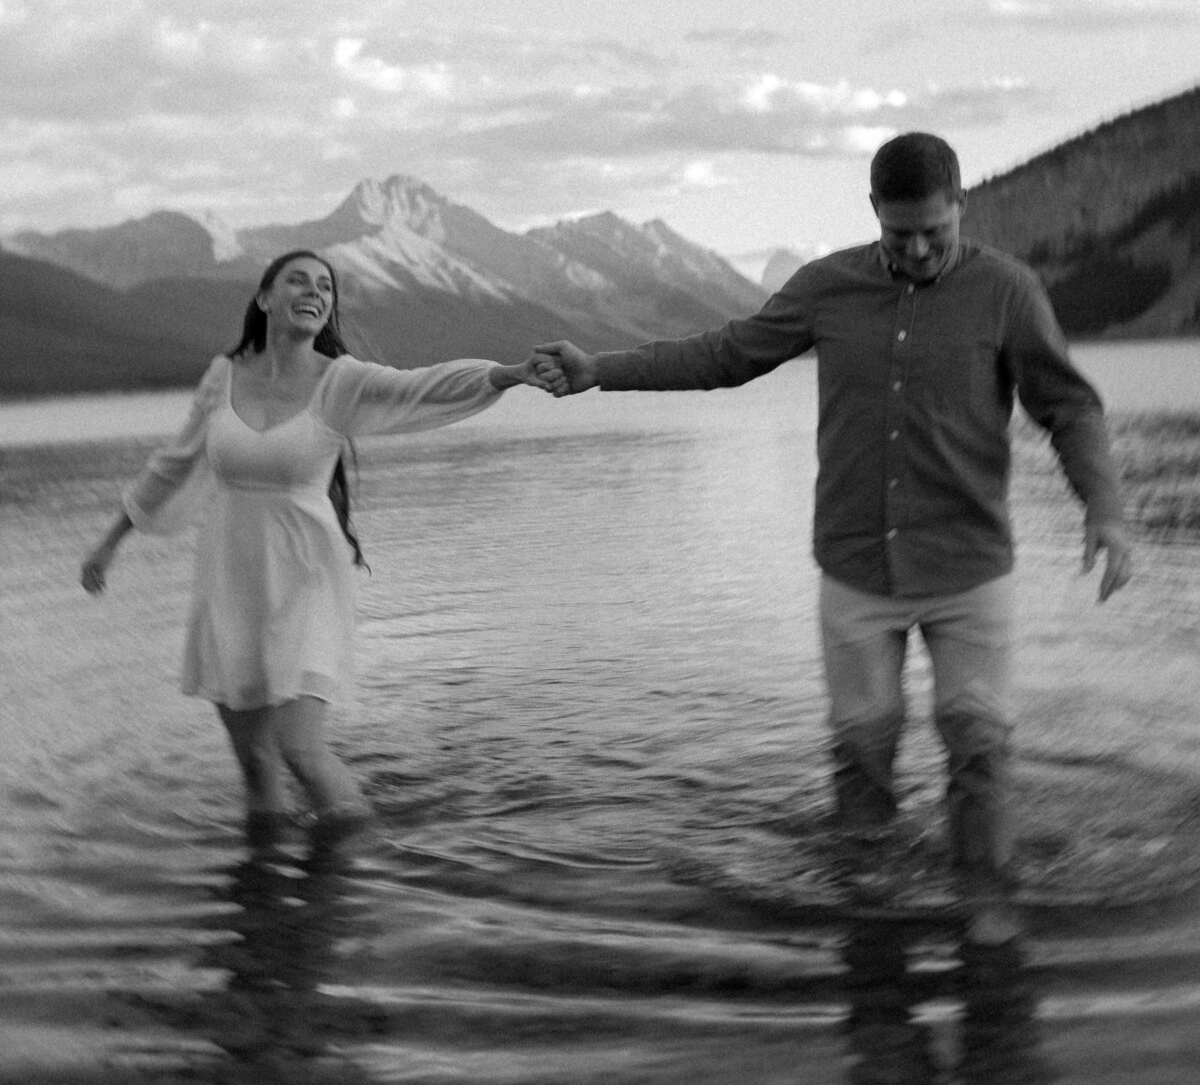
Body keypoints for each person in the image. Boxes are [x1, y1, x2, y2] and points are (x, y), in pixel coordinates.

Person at [534, 132, 1132, 942]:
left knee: (978, 740)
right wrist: (601, 369)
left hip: (969, 566)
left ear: (962, 207)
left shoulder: (1007, 291)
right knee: (861, 748)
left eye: (935, 231)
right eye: (899, 234)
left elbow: (1069, 406)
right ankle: (870, 912)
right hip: (855, 567)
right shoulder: (827, 288)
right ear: (873, 215)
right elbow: (728, 354)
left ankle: (989, 914)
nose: (918, 249)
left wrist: (1103, 509)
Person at [81, 248, 552, 845]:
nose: (314, 292)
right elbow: (172, 466)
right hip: (230, 574)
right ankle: (266, 900)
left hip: (307, 574)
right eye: (298, 281)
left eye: (325, 287)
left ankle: (362, 871)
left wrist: (507, 374)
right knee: (254, 765)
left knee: (299, 747)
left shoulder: (340, 380)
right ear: (265, 298)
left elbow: (420, 387)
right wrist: (108, 545)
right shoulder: (222, 375)